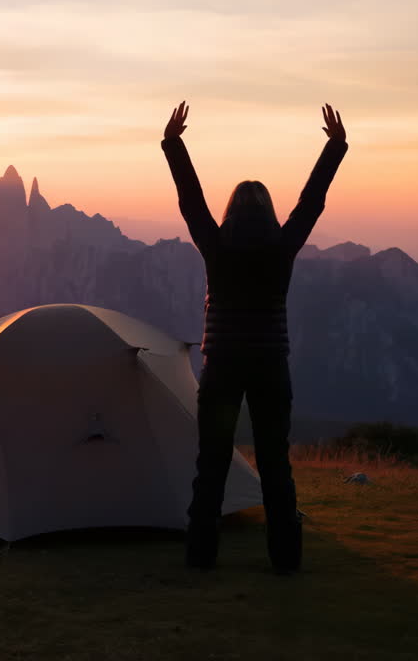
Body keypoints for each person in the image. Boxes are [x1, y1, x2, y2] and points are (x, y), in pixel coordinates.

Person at [160, 101, 348, 574]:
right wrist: (335, 147)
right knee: (275, 463)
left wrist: (174, 144)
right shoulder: (282, 247)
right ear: (268, 212)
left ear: (231, 211)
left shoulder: (216, 245)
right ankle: (285, 559)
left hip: (222, 366)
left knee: (212, 463)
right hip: (269, 367)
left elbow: (190, 202)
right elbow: (311, 203)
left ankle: (200, 557)